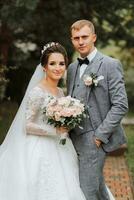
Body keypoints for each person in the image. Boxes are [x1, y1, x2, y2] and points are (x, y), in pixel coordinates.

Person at [0, 42, 87, 200]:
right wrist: (55, 131)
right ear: (44, 67)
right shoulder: (37, 92)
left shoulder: (61, 92)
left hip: (61, 146)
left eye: (61, 63)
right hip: (38, 147)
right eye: (52, 63)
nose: (57, 68)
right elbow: (27, 125)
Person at [67, 19, 128, 200]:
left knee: (86, 191)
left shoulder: (110, 64)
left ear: (94, 37)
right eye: (76, 38)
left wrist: (100, 136)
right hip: (73, 138)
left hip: (94, 139)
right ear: (72, 40)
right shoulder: (71, 68)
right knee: (98, 188)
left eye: (85, 36)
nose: (81, 41)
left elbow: (120, 104)